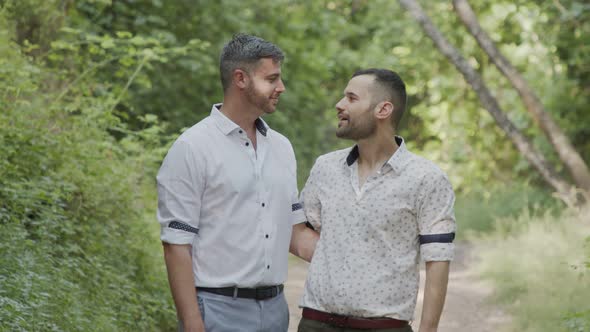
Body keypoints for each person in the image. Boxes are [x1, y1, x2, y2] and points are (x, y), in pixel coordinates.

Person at [156, 33, 318, 332]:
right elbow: (176, 246)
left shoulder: (282, 147)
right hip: (216, 311)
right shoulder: (192, 147)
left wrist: (352, 253)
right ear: (240, 78)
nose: (281, 87)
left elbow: (294, 232)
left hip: (275, 312)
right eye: (272, 79)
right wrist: (192, 322)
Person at [298, 68, 456, 332]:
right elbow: (302, 232)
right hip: (316, 323)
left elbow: (438, 260)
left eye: (351, 98)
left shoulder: (426, 179)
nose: (339, 105)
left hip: (384, 327)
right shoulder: (325, 168)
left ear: (383, 110)